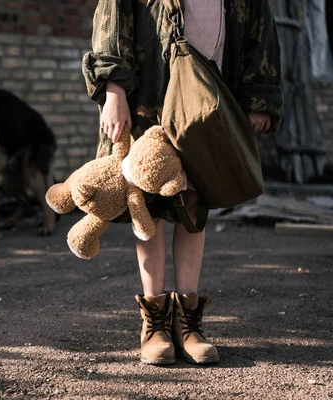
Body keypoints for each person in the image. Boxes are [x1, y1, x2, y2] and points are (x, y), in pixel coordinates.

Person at [82, 0, 283, 364]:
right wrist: (113, 88)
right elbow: (112, 22)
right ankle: (155, 323)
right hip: (148, 97)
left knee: (194, 205)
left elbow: (261, 32)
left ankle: (188, 321)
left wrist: (260, 98)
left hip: (208, 107)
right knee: (150, 205)